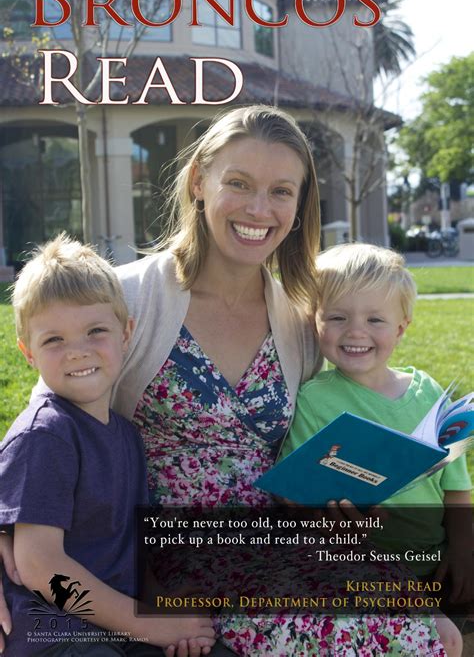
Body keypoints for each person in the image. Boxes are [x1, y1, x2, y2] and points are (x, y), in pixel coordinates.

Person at [0, 106, 448, 655]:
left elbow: (315, 439)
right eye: (238, 183)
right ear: (198, 182)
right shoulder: (127, 298)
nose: (259, 209)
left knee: (427, 628)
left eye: (282, 191)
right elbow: (48, 416)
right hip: (170, 554)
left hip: (278, 537)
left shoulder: (299, 320)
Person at [0, 235, 215, 657]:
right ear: (28, 353)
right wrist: (147, 625)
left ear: (126, 333)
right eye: (53, 340)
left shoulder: (127, 437)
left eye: (95, 331)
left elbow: (132, 550)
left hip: (113, 627)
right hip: (55, 635)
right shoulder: (45, 435)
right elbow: (41, 567)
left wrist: (162, 608)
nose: (77, 352)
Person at [281, 242, 472, 657]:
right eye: (337, 317)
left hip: (438, 561)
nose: (355, 332)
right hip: (363, 568)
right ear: (314, 323)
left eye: (374, 319)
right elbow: (294, 494)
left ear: (401, 328)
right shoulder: (314, 400)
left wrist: (462, 553)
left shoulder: (427, 393)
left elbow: (457, 488)